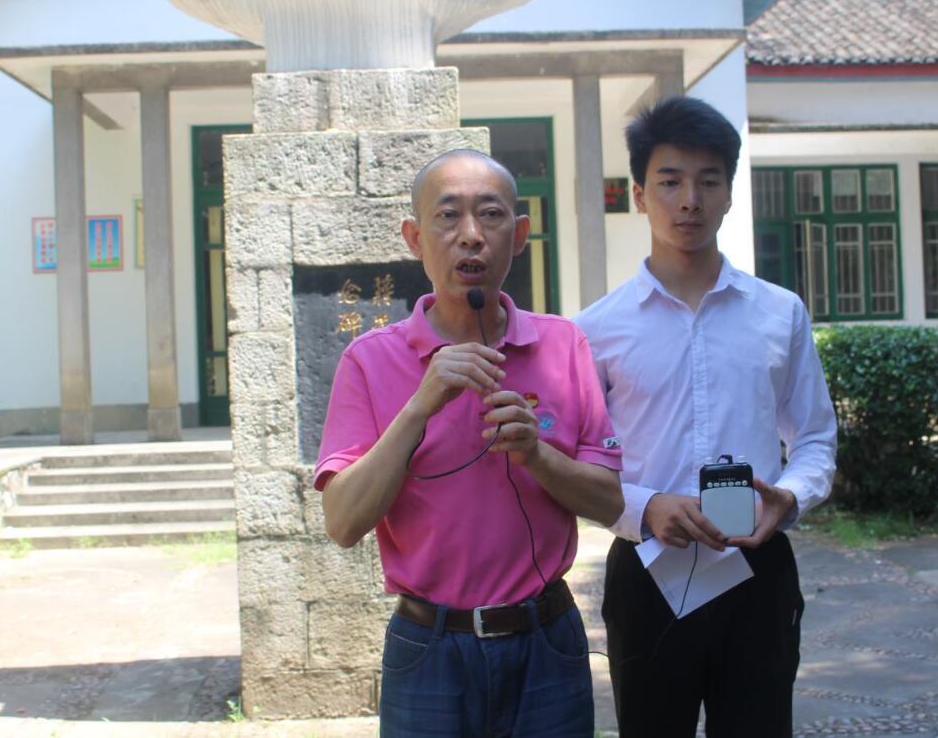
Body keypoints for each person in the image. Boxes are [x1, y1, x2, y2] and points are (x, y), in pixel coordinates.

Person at [315, 149, 624, 737]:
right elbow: (343, 523)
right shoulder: (369, 360)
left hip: (545, 639)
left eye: (491, 214)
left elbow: (609, 502)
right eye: (448, 215)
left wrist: (536, 455)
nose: (471, 236)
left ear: (520, 234)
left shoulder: (563, 346)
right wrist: (419, 406)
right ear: (414, 238)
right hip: (429, 647)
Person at [575, 96, 837, 737]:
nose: (689, 200)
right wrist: (644, 508)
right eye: (669, 182)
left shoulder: (779, 313)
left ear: (729, 194)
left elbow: (815, 438)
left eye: (707, 181)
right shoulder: (596, 329)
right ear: (640, 196)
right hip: (647, 571)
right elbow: (579, 464)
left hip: (757, 566)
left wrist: (790, 497)